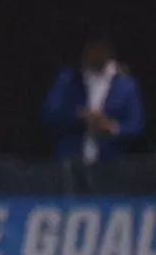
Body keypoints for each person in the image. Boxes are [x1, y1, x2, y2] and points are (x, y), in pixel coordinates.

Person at [41, 35, 145, 164]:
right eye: (91, 47)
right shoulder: (67, 79)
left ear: (110, 51)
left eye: (100, 48)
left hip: (111, 165)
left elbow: (136, 125)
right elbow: (49, 114)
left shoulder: (125, 85)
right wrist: (80, 116)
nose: (95, 53)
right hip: (70, 165)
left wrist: (111, 129)